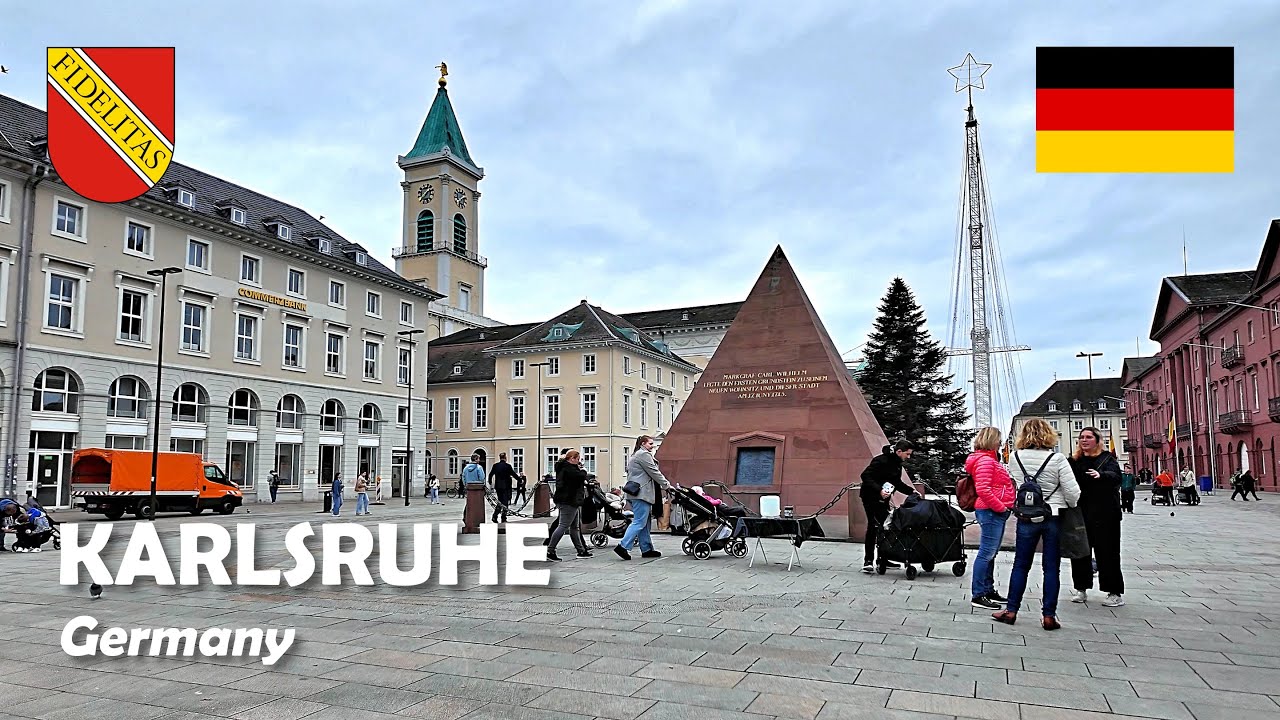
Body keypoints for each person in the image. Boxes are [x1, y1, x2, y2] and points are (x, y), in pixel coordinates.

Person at [991, 419, 1080, 630]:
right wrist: (1067, 503)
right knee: (1051, 568)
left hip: (1026, 516)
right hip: (1053, 516)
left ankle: (1011, 610)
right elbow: (1073, 492)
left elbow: (1015, 483)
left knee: (1020, 565)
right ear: (1049, 434)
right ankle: (1049, 615)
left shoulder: (1014, 457)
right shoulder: (1057, 458)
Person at [1069, 427, 1125, 608]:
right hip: (1081, 513)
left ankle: (1114, 592)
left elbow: (1117, 477)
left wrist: (1101, 475)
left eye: (1088, 437)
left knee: (1108, 553)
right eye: (1081, 437)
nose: (1084, 440)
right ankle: (1081, 588)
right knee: (1080, 552)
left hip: (1106, 514)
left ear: (1097, 440)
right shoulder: (1074, 461)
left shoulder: (1108, 458)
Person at [967, 427, 1015, 610]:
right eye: (998, 440)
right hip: (990, 511)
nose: (1000, 443)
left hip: (993, 511)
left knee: (991, 553)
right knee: (986, 553)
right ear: (991, 440)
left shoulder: (988, 460)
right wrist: (1001, 507)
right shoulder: (986, 461)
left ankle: (988, 589)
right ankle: (978, 594)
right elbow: (983, 489)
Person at [859, 440, 919, 574]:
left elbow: (896, 482)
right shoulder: (880, 460)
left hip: (883, 498)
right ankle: (868, 561)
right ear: (898, 452)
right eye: (907, 454)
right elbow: (865, 476)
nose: (908, 457)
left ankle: (883, 559)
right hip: (870, 497)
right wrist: (879, 490)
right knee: (874, 526)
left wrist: (912, 491)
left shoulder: (897, 464)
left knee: (886, 526)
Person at [616, 435, 672, 561]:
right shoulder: (643, 455)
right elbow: (654, 472)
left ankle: (646, 549)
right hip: (641, 494)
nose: (652, 446)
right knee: (639, 522)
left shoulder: (637, 454)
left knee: (644, 522)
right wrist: (667, 485)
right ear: (642, 443)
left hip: (637, 493)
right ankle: (623, 546)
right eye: (650, 444)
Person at [546, 450, 591, 561]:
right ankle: (550, 550)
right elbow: (580, 476)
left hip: (570, 500)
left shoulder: (565, 467)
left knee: (574, 527)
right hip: (569, 500)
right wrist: (584, 471)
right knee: (563, 526)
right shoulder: (569, 469)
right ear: (572, 459)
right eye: (578, 459)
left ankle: (581, 550)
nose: (579, 461)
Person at [488, 453, 518, 523]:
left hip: (498, 486)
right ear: (505, 458)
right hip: (506, 486)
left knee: (500, 501)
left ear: (500, 458)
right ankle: (503, 517)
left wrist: (490, 482)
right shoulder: (508, 466)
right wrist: (520, 480)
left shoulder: (495, 466)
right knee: (505, 502)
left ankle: (495, 516)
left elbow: (490, 474)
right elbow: (514, 474)